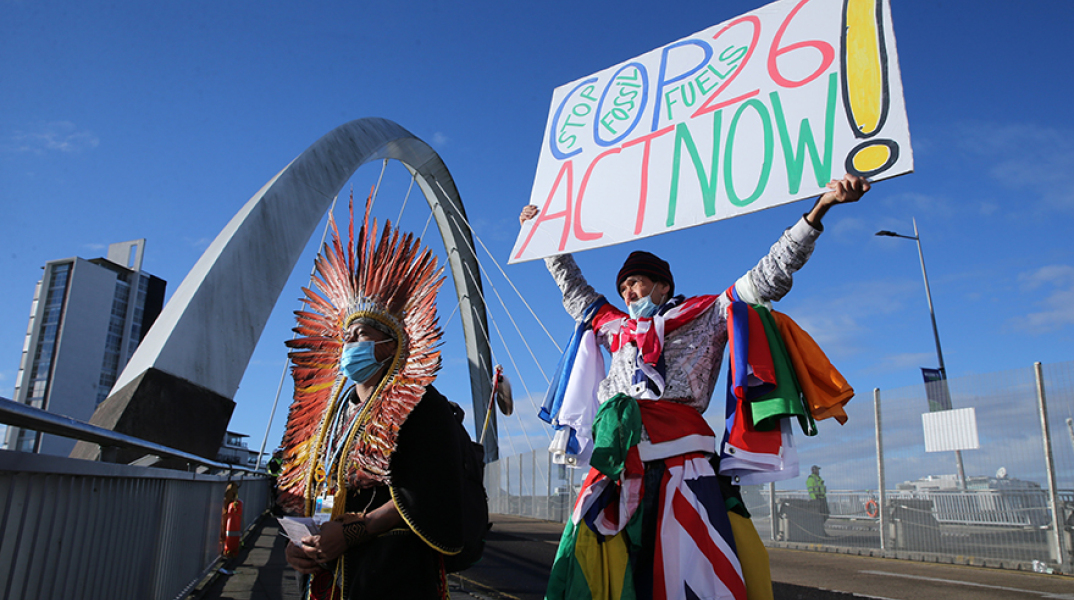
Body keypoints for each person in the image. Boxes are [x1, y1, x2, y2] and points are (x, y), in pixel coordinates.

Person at [520, 174, 869, 600]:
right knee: (597, 567)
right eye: (623, 287)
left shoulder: (707, 315)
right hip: (616, 463)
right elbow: (573, 288)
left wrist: (819, 210)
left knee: (688, 574)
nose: (628, 292)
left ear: (663, 285)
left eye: (636, 282)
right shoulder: (616, 328)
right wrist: (543, 237)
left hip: (681, 465)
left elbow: (769, 275)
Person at [277, 199, 468, 600]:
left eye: (362, 334)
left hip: (391, 574)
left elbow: (431, 493)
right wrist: (299, 545)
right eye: (346, 336)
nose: (350, 344)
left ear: (391, 345)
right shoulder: (333, 413)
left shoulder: (423, 406)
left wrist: (354, 531)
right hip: (329, 572)